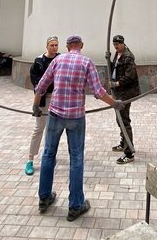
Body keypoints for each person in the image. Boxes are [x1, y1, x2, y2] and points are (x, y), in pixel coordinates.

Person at [32, 34, 124, 221]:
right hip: (75, 117)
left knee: (49, 154)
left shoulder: (58, 60)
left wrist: (36, 105)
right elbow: (98, 92)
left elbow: (41, 85)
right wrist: (114, 103)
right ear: (81, 45)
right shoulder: (86, 62)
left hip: (55, 114)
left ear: (66, 46)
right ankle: (75, 205)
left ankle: (44, 198)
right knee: (76, 158)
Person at [25, 36, 60, 176]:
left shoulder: (60, 59)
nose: (54, 47)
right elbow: (36, 82)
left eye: (56, 45)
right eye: (52, 45)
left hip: (57, 97)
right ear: (47, 46)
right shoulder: (39, 61)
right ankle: (30, 159)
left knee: (53, 129)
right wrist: (36, 103)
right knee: (39, 128)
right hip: (43, 98)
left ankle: (50, 156)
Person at [109, 34, 140, 164]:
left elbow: (130, 76)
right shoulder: (117, 54)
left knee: (124, 120)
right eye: (115, 44)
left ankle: (129, 152)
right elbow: (116, 69)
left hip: (126, 93)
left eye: (118, 44)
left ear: (123, 43)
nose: (116, 46)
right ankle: (124, 143)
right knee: (119, 118)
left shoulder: (128, 56)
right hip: (119, 92)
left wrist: (116, 84)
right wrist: (109, 61)